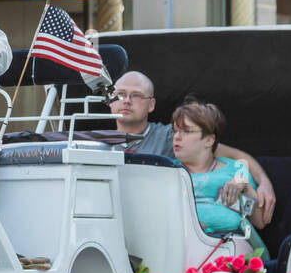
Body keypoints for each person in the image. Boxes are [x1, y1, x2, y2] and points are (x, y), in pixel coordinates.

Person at [110, 71, 276, 224]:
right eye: (120, 94)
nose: (126, 101)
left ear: (151, 104)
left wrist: (264, 183)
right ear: (110, 100)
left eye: (136, 95)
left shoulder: (169, 137)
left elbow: (234, 156)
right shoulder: (94, 143)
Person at [168, 96, 267, 253]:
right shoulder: (167, 173)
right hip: (181, 249)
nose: (177, 137)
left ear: (208, 140)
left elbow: (260, 222)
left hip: (232, 248)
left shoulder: (235, 170)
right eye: (175, 130)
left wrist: (246, 187)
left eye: (186, 131)